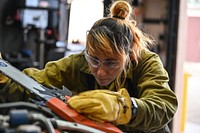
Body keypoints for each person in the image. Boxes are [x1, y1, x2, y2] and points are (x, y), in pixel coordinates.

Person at [0, 0, 178, 132]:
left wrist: (125, 109)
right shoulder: (79, 63)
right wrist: (4, 80)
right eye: (94, 60)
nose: (100, 71)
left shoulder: (146, 63)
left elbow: (163, 106)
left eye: (111, 62)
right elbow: (29, 87)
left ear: (129, 55)